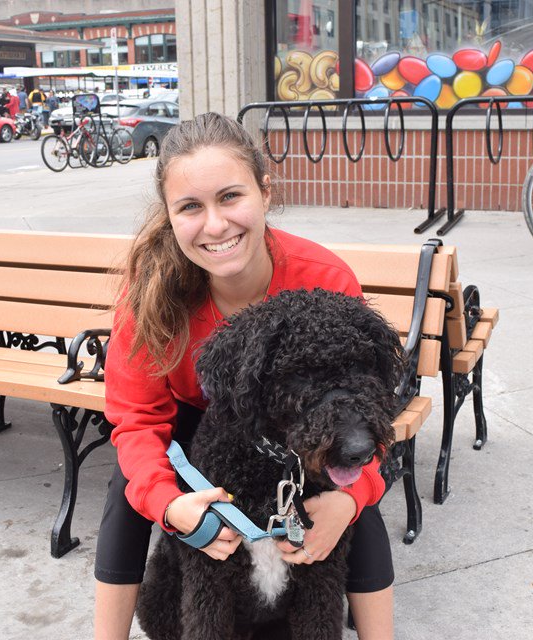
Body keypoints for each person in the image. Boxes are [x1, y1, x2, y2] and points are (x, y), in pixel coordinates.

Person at [93, 112, 394, 639]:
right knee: (128, 487)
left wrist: (349, 499)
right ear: (169, 216)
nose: (215, 225)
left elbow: (367, 400)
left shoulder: (321, 278)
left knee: (349, 488)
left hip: (292, 423)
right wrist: (170, 505)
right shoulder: (149, 294)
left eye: (230, 197)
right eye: (191, 207)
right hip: (195, 428)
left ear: (265, 193)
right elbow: (137, 419)